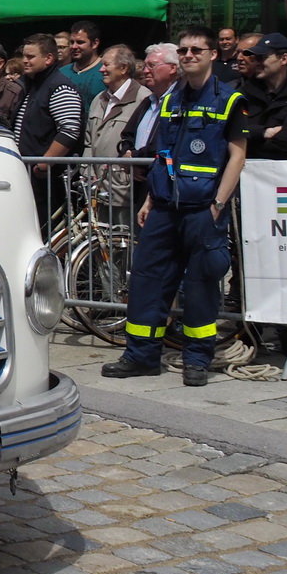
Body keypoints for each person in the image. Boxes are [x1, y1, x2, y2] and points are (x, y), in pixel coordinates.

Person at [105, 27, 249, 387]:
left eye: (196, 49)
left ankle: (197, 359)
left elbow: (237, 156)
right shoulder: (170, 101)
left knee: (200, 287)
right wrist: (152, 199)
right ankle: (141, 356)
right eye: (183, 50)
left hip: (203, 210)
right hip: (165, 207)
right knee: (147, 282)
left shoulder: (230, 100)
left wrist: (218, 203)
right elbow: (163, 156)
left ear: (213, 54)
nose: (188, 55)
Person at [13, 34, 85, 229]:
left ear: (49, 59)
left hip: (49, 181)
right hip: (29, 175)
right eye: (24, 56)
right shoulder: (29, 85)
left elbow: (69, 130)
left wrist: (44, 165)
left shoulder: (60, 87)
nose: (25, 61)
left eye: (31, 57)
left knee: (48, 231)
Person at [85, 45, 147, 210]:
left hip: (124, 192)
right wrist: (87, 172)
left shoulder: (144, 99)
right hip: (95, 189)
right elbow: (89, 141)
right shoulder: (99, 99)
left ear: (123, 68)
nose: (101, 70)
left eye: (106, 65)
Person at [120, 43, 180, 212]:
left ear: (173, 68)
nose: (145, 71)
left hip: (164, 185)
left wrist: (136, 158)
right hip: (140, 182)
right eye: (145, 66)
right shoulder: (148, 101)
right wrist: (127, 157)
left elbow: (168, 140)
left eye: (152, 66)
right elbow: (127, 135)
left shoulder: (181, 102)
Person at [236, 33, 287, 160]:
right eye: (254, 58)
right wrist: (263, 132)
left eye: (262, 57)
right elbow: (232, 132)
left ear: (284, 59)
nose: (256, 62)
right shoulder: (241, 94)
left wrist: (251, 140)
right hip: (247, 173)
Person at [58, 21, 108, 107]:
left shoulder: (106, 71)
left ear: (95, 43)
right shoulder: (61, 73)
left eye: (80, 42)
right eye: (72, 42)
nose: (74, 46)